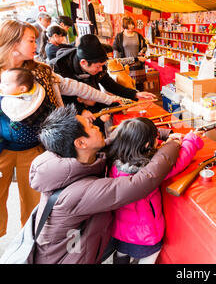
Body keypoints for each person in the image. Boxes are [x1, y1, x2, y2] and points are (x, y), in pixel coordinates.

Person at [0, 19, 120, 238]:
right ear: (14, 43)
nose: (36, 43)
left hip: (35, 148)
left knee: (35, 205)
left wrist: (108, 99)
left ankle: (31, 242)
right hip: (3, 150)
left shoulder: (43, 71)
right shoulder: (3, 76)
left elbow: (73, 86)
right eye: (30, 40)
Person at [28, 105, 181, 263]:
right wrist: (173, 145)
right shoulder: (78, 193)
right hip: (69, 257)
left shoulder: (73, 159)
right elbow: (142, 182)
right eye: (91, 126)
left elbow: (123, 138)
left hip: (78, 245)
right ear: (80, 143)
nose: (97, 127)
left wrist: (158, 134)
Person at [105, 117, 204, 264]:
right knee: (150, 255)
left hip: (119, 229)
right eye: (154, 138)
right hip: (144, 233)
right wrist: (191, 140)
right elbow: (178, 162)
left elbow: (145, 147)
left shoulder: (115, 160)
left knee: (122, 254)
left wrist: (166, 142)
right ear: (146, 144)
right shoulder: (147, 170)